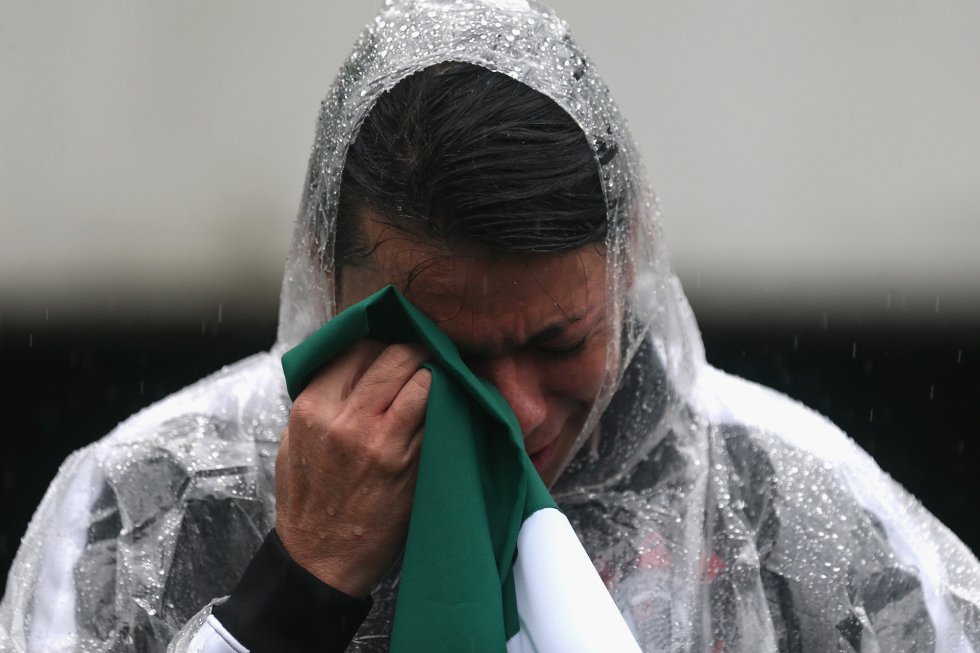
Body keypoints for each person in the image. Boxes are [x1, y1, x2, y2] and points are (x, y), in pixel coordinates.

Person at [2, 1, 979, 652]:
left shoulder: (794, 506)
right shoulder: (148, 500)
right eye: (447, 353)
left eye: (559, 341)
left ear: (629, 248)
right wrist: (296, 588)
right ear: (320, 264)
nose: (512, 407)